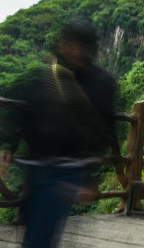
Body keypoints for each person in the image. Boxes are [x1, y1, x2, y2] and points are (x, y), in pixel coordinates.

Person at [0, 19, 117, 248]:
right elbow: (16, 105)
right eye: (68, 43)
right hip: (36, 166)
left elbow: (105, 130)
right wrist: (6, 144)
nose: (72, 50)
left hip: (69, 171)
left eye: (79, 45)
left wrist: (90, 176)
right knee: (33, 230)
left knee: (39, 236)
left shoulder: (101, 83)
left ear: (89, 48)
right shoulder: (43, 74)